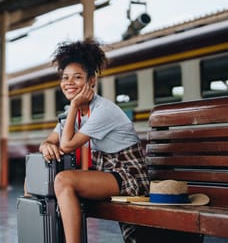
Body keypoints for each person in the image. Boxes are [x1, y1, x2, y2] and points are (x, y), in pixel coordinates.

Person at [39, 38, 149, 243]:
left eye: (77, 77)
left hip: (130, 177)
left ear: (91, 81)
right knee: (34, 183)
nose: (69, 83)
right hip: (106, 175)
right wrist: (45, 145)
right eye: (65, 77)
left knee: (63, 180)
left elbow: (65, 145)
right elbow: (52, 140)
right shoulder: (73, 113)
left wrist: (72, 106)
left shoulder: (102, 110)